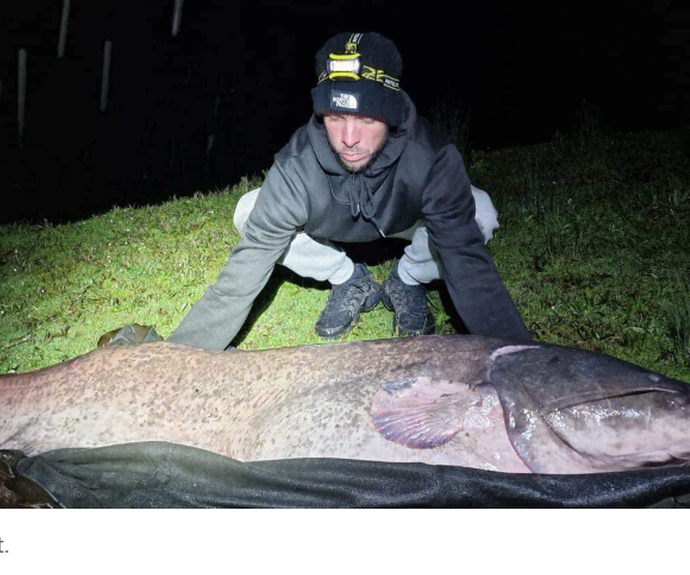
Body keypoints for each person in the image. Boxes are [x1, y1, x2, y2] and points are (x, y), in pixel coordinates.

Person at [167, 31, 531, 350]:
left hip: (406, 221)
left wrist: (522, 359)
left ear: (390, 115)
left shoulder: (432, 159)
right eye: (336, 117)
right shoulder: (297, 166)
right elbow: (238, 280)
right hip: (329, 223)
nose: (349, 138)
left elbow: (469, 268)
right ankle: (347, 278)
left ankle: (407, 278)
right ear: (321, 113)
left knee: (479, 210)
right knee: (250, 209)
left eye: (367, 119)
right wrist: (179, 358)